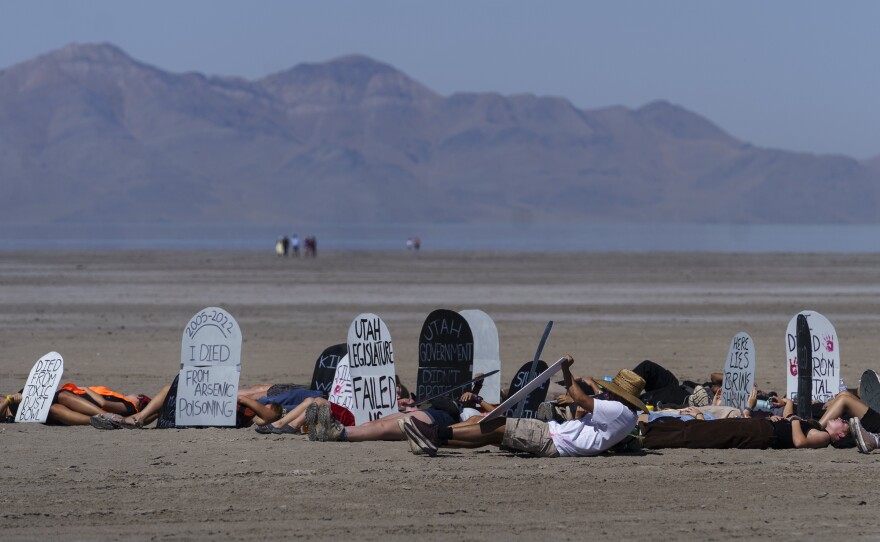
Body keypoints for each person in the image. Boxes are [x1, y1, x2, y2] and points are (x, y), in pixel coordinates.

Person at [399, 355, 647, 457]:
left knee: (497, 426)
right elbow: (587, 406)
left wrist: (566, 369)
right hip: (559, 442)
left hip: (555, 439)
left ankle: (437, 434)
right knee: (488, 431)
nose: (608, 393)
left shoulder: (618, 410)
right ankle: (432, 441)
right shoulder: (626, 416)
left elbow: (581, 400)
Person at [641, 396, 849, 450]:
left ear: (840, 435)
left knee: (703, 434)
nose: (840, 419)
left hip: (764, 434)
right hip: (764, 427)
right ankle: (648, 430)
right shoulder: (815, 427)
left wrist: (795, 420)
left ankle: (649, 437)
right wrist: (787, 404)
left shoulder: (823, 437)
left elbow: (800, 442)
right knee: (704, 428)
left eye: (844, 424)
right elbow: (789, 420)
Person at [90, 375, 282, 429]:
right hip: (209, 410)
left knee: (167, 392)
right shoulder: (252, 408)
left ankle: (133, 419)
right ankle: (129, 421)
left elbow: (267, 417)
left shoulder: (256, 414)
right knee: (167, 398)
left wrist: (245, 400)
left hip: (210, 415)